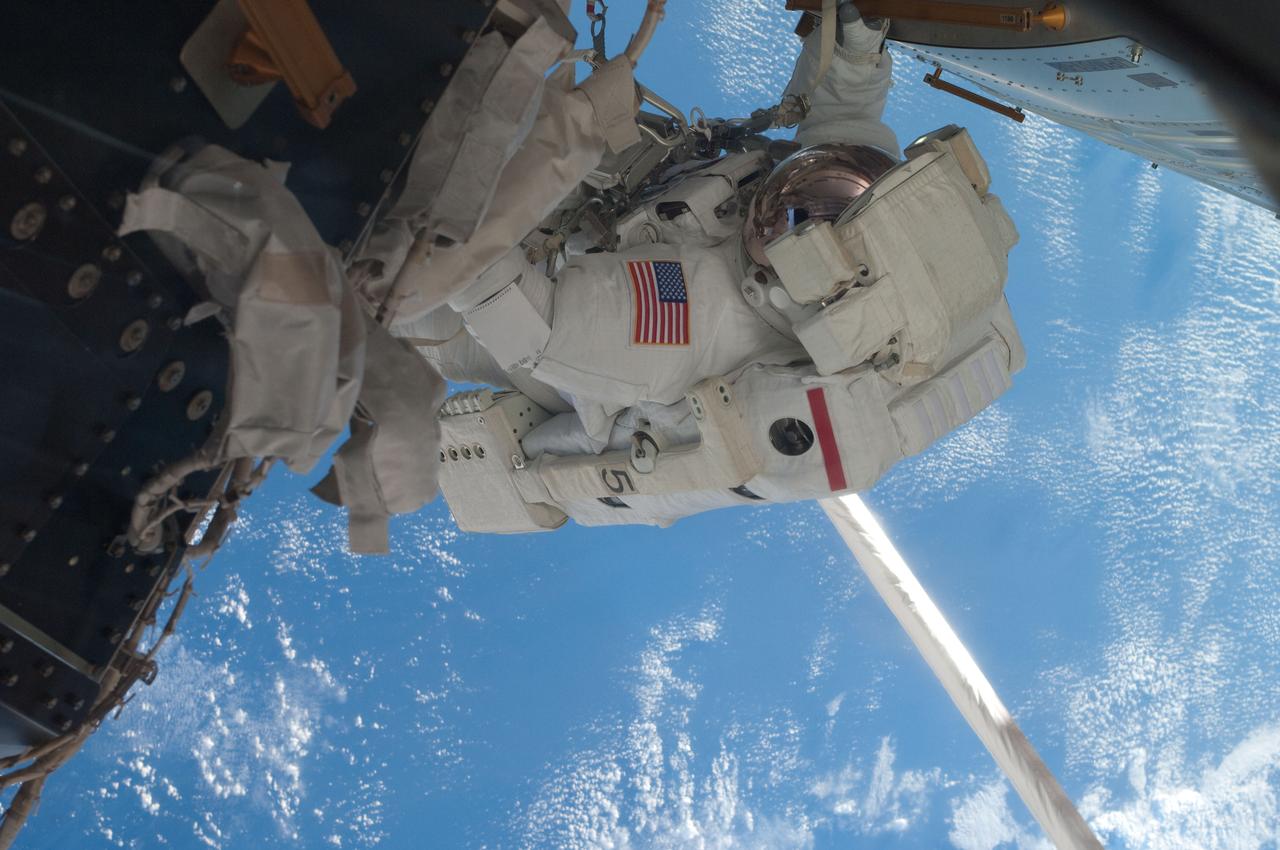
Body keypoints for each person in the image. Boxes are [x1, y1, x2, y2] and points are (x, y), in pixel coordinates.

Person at [382, 4, 1024, 531]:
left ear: (794, 284)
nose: (798, 191)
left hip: (529, 324)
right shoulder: (851, 181)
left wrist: (460, 189)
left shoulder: (688, 319)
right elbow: (844, 117)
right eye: (812, 186)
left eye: (792, 223)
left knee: (399, 302)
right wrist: (859, 37)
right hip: (610, 218)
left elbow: (524, 318)